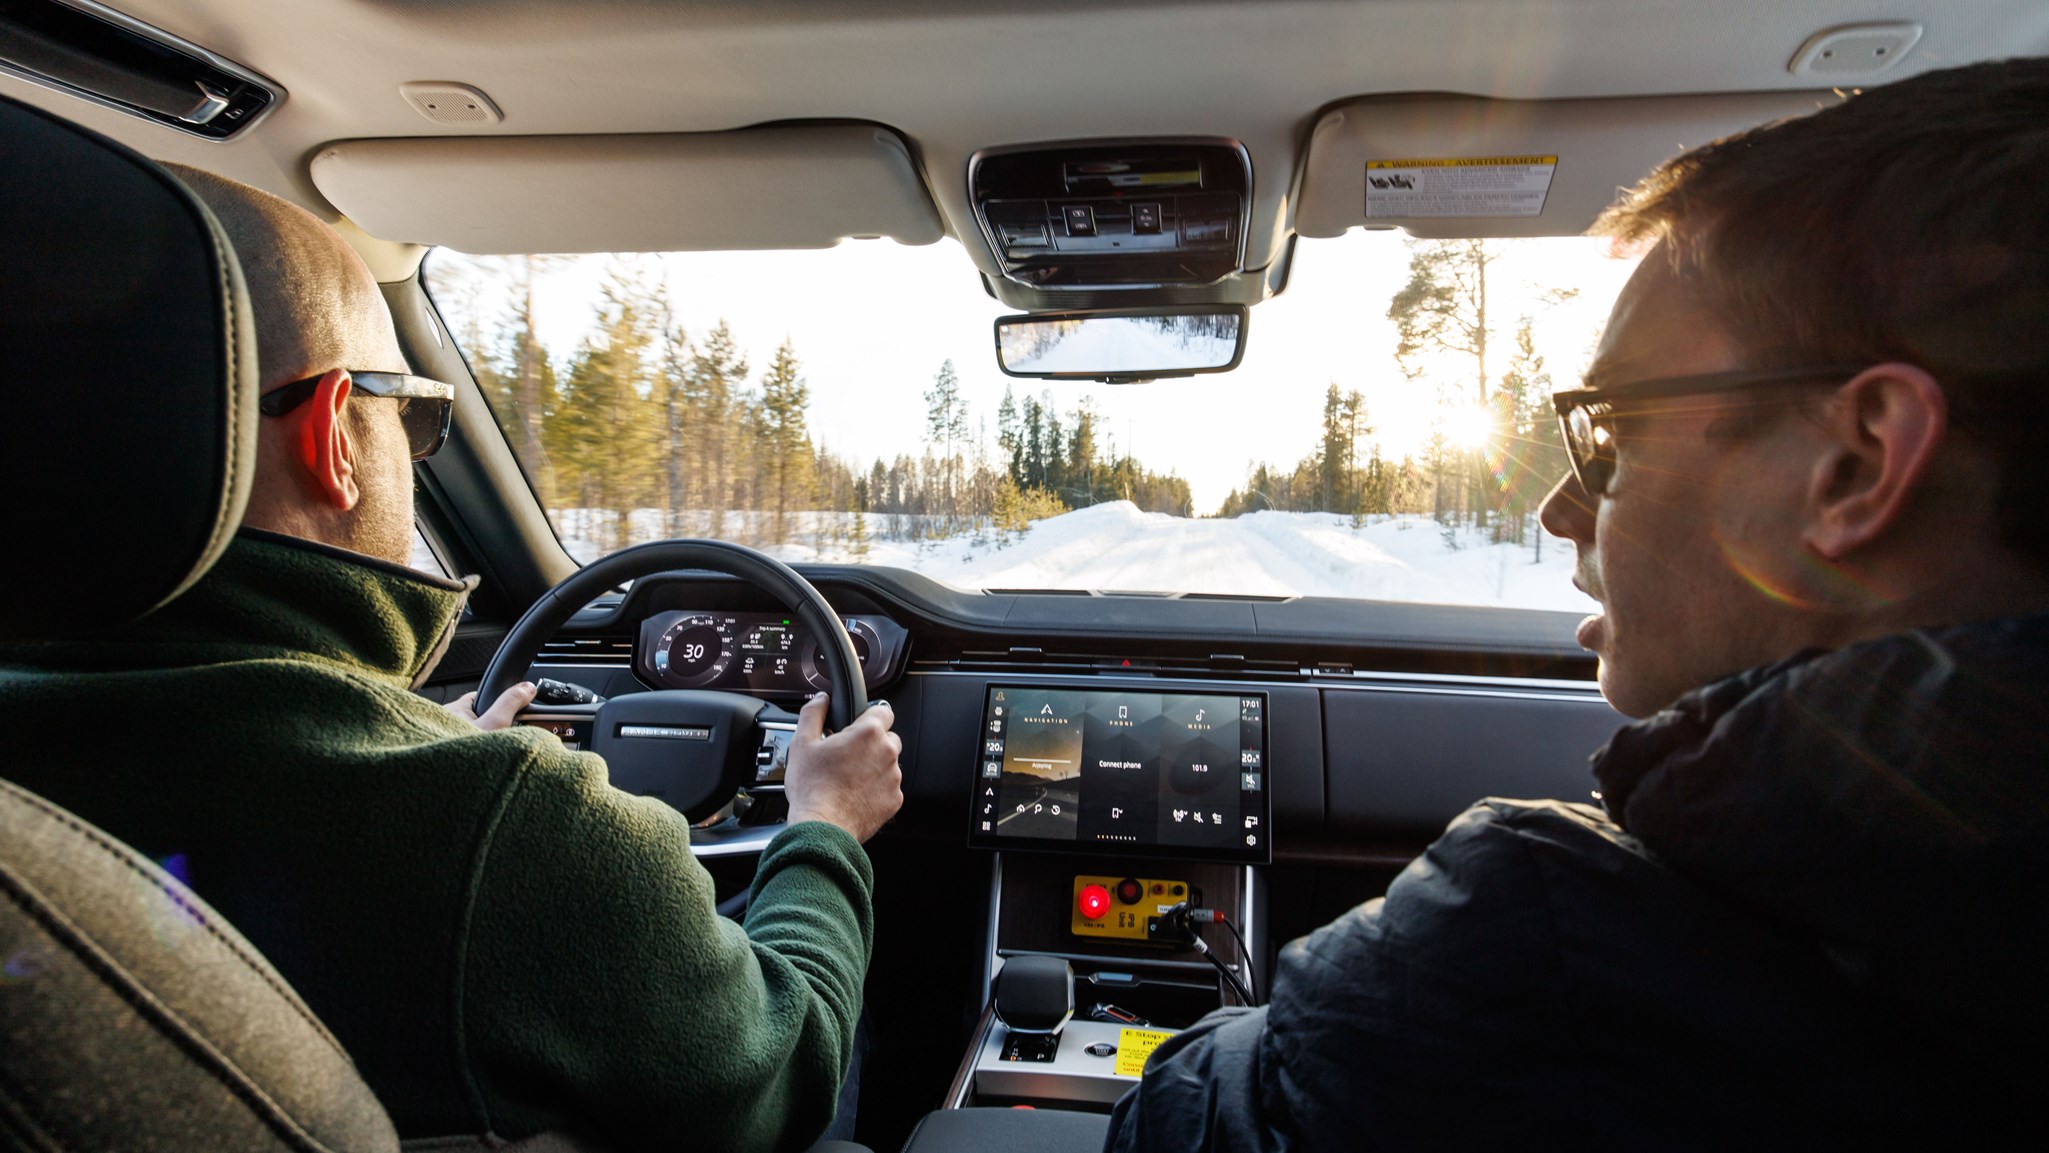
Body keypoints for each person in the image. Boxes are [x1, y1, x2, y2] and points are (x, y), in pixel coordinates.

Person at [1105, 57, 2049, 1150]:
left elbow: (1164, 1119)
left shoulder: (1539, 949)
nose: (1559, 507)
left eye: (1612, 433)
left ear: (1855, 463)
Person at [0, 165, 903, 1152]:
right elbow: (781, 1077)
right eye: (415, 415)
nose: (417, 449)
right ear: (333, 437)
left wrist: (427, 744)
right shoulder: (509, 828)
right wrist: (825, 824)